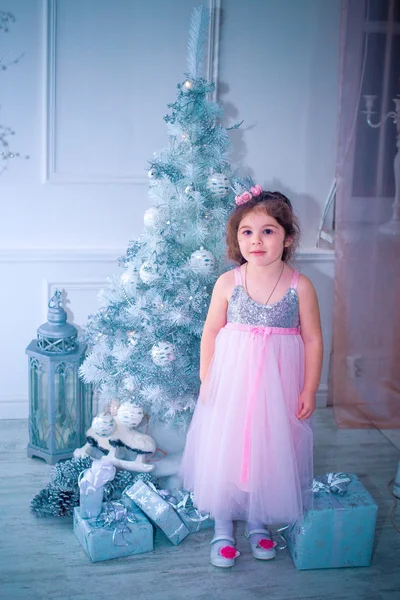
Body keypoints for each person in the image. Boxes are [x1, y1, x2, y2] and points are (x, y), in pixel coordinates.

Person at [180, 185, 323, 568]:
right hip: (231, 384)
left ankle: (258, 522)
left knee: (268, 449)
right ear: (236, 237)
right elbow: (211, 331)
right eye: (247, 231)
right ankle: (223, 525)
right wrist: (207, 377)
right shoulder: (229, 283)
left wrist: (310, 388)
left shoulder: (300, 286)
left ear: (287, 237)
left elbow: (312, 338)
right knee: (227, 449)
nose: (256, 240)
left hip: (278, 386)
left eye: (268, 231)